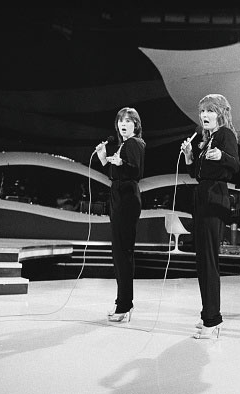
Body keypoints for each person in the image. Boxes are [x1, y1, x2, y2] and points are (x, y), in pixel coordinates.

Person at [180, 94, 240, 339]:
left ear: (221, 114)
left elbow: (235, 165)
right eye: (202, 111)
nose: (204, 116)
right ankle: (208, 314)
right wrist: (189, 156)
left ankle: (213, 320)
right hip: (203, 197)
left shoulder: (225, 135)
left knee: (209, 262)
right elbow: (197, 173)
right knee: (202, 261)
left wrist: (222, 157)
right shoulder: (208, 139)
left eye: (210, 111)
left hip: (215, 198)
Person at [95, 107, 146, 323]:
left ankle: (124, 305)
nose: (123, 124)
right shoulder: (123, 144)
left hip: (126, 199)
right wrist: (104, 159)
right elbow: (116, 173)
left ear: (136, 124)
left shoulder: (134, 143)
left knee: (123, 253)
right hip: (119, 197)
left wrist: (122, 163)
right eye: (120, 121)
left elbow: (137, 171)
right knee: (119, 253)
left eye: (128, 120)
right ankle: (122, 303)